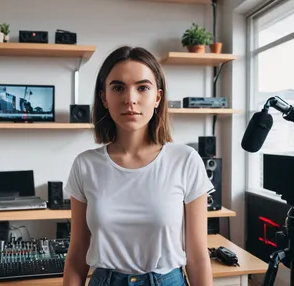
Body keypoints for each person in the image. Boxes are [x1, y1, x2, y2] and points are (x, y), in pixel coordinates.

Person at [62, 46, 214, 286]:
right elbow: (77, 254)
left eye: (142, 88)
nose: (130, 99)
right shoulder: (85, 165)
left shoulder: (186, 161)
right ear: (104, 97)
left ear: (157, 97)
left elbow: (197, 257)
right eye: (118, 87)